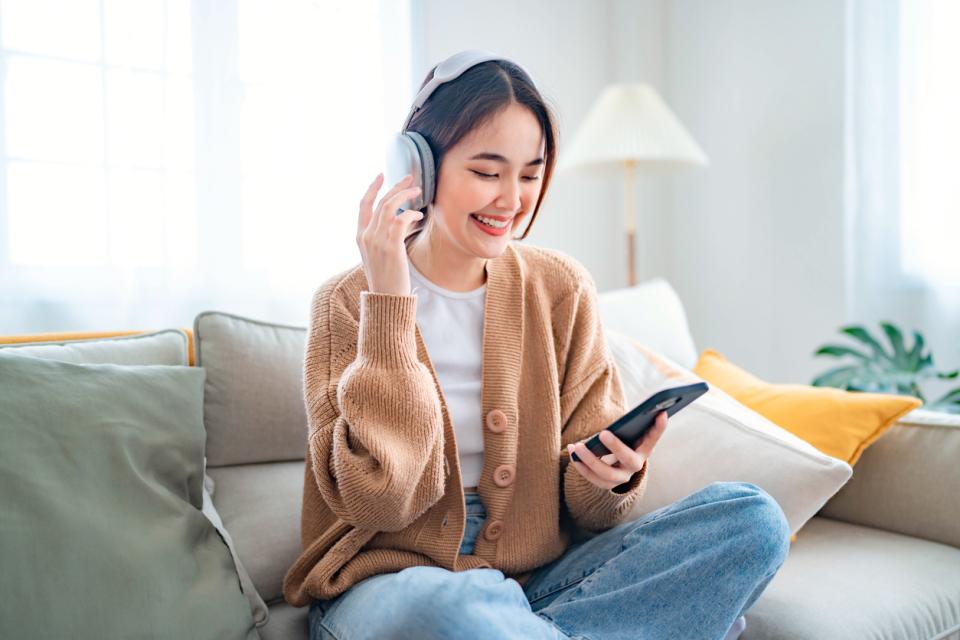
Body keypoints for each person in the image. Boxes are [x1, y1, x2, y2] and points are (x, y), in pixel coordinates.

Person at [282, 50, 790, 640]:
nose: (512, 199)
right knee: (450, 614)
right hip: (395, 588)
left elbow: (593, 515)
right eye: (487, 171)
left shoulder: (560, 287)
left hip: (539, 581)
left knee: (751, 521)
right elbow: (380, 503)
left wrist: (607, 478)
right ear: (417, 170)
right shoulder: (346, 302)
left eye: (529, 174)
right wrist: (390, 301)